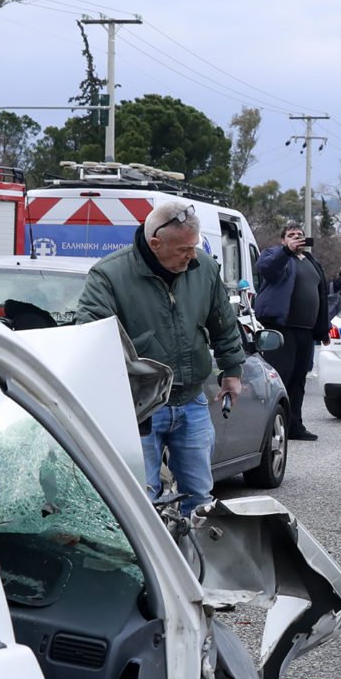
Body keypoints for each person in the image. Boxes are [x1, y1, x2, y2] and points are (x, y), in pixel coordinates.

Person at [75, 198, 249, 518]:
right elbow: (90, 337)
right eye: (184, 249)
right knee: (141, 500)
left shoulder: (204, 269)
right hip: (138, 409)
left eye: (194, 246)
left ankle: (195, 551)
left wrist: (232, 371)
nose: (192, 256)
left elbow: (223, 324)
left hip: (191, 401)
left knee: (200, 499)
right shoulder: (109, 276)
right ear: (156, 243)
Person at [254, 223, 326, 440]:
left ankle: (294, 426)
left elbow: (321, 294)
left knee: (298, 380)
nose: (296, 238)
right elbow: (266, 269)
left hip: (306, 331)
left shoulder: (311, 262)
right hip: (281, 329)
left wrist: (323, 329)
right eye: (291, 235)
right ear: (283, 240)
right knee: (279, 379)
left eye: (300, 235)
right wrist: (286, 251)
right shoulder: (274, 254)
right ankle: (269, 427)